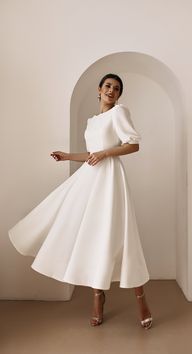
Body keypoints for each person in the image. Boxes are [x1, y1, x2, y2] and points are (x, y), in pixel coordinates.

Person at [8, 73, 152, 329]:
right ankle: (97, 296)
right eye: (108, 86)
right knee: (90, 234)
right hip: (90, 179)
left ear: (119, 95)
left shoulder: (119, 113)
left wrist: (105, 153)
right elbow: (90, 154)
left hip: (110, 179)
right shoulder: (91, 121)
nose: (111, 90)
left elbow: (133, 145)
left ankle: (141, 298)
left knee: (120, 235)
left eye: (116, 88)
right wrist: (66, 156)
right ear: (99, 89)